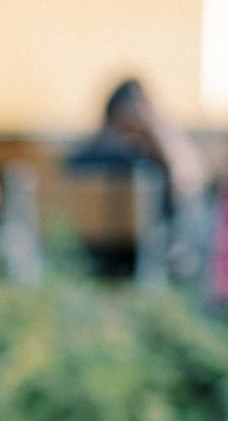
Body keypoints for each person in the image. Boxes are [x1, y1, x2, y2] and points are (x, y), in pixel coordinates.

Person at [67, 78, 206, 277]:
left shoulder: (86, 155)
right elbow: (189, 181)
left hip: (89, 255)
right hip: (136, 256)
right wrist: (156, 129)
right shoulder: (139, 161)